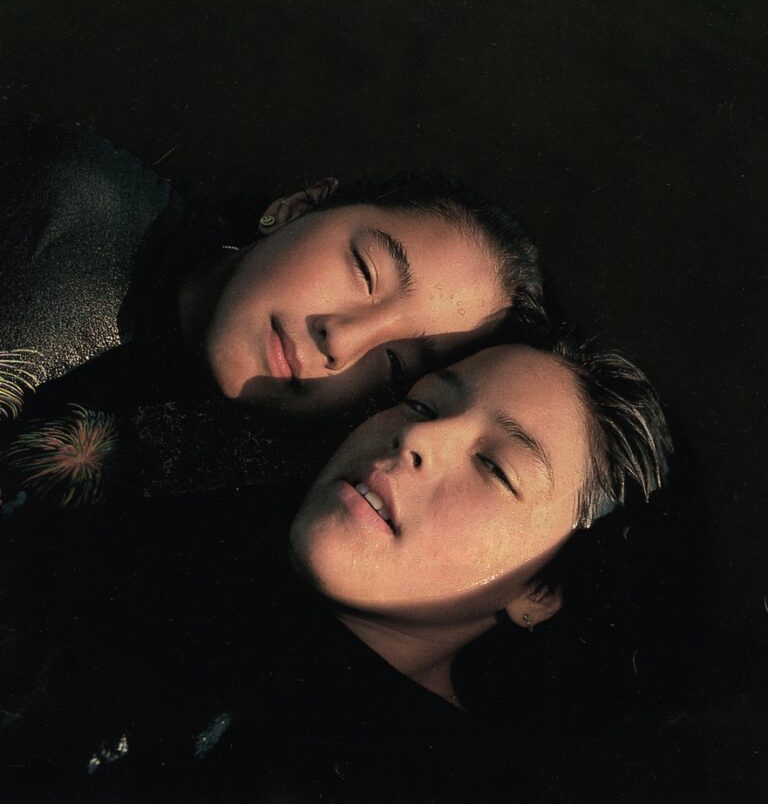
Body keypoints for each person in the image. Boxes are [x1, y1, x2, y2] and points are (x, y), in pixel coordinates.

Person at [7, 326, 669, 802]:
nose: (416, 436)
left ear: (544, 591)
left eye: (496, 467)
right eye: (422, 403)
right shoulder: (159, 569)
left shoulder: (449, 782)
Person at [0, 114, 541, 506]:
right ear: (293, 209)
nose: (342, 340)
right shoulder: (58, 201)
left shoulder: (250, 499)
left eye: (396, 363)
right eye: (366, 272)